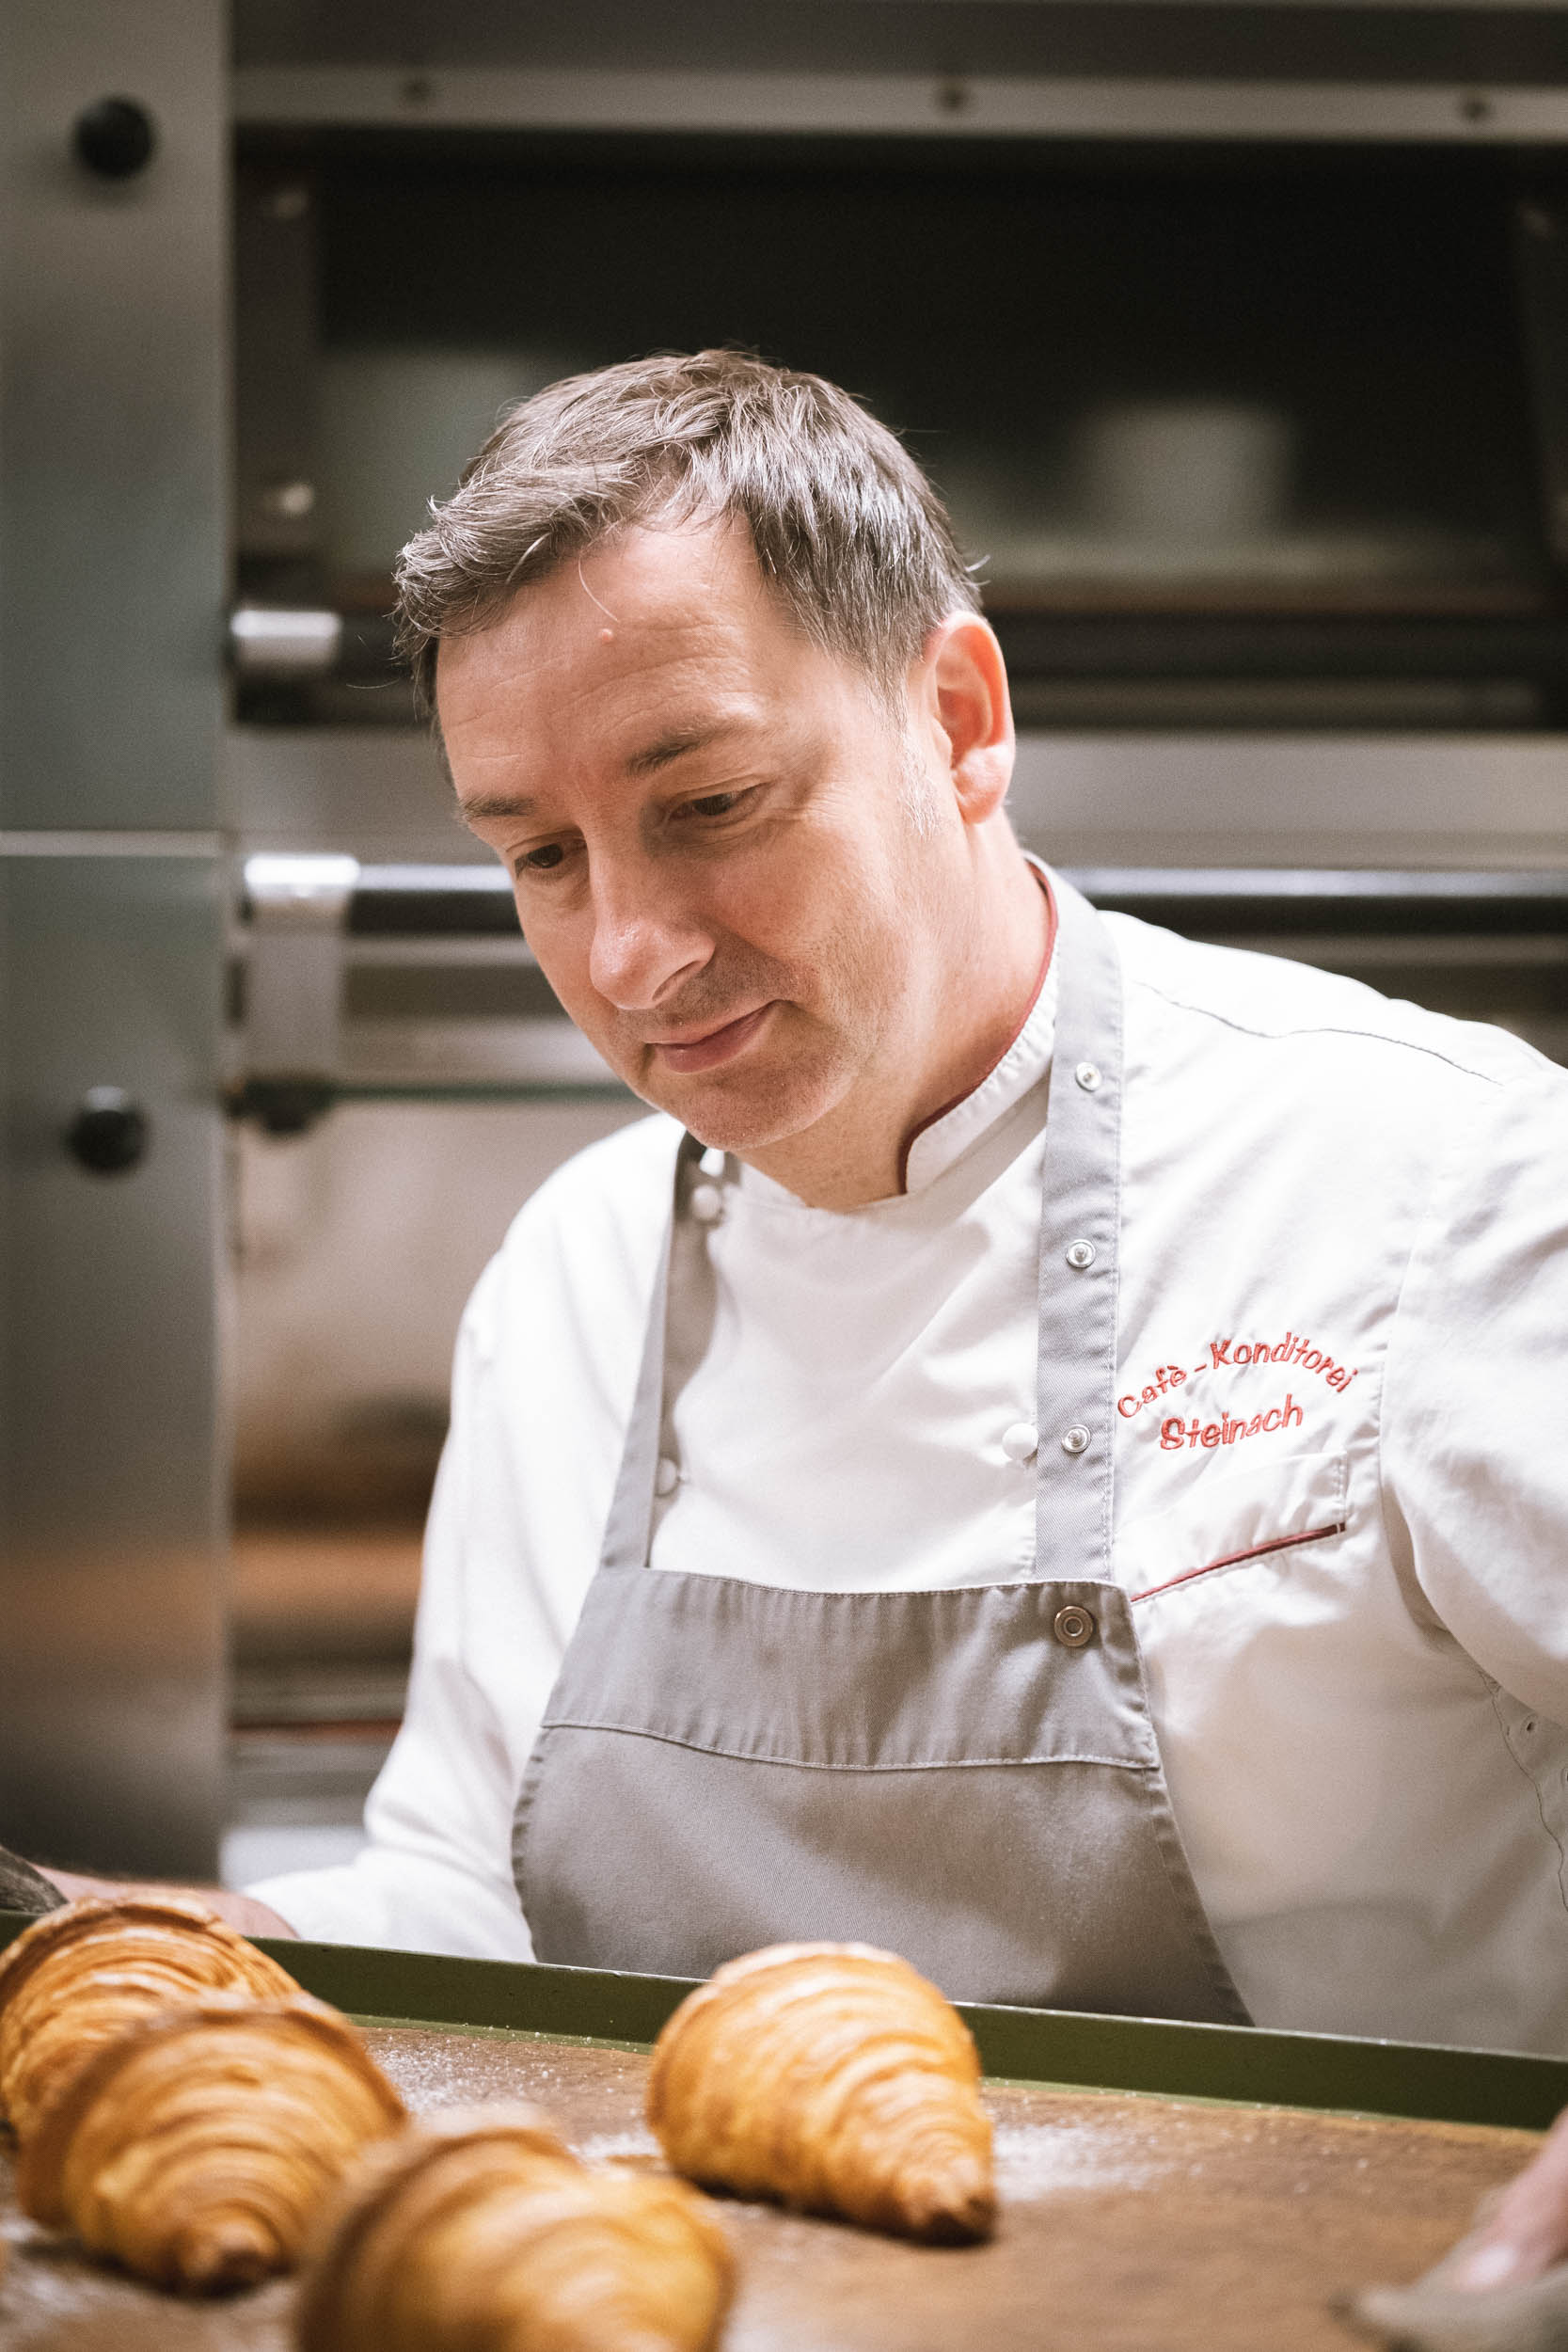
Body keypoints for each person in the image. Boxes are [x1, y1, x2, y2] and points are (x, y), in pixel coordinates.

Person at [19, 349, 1568, 2287]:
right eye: (538, 854)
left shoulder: (1433, 1182)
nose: (630, 953)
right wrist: (66, 1923)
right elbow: (455, 1916)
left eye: (712, 801)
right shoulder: (577, 1272)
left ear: (961, 714)